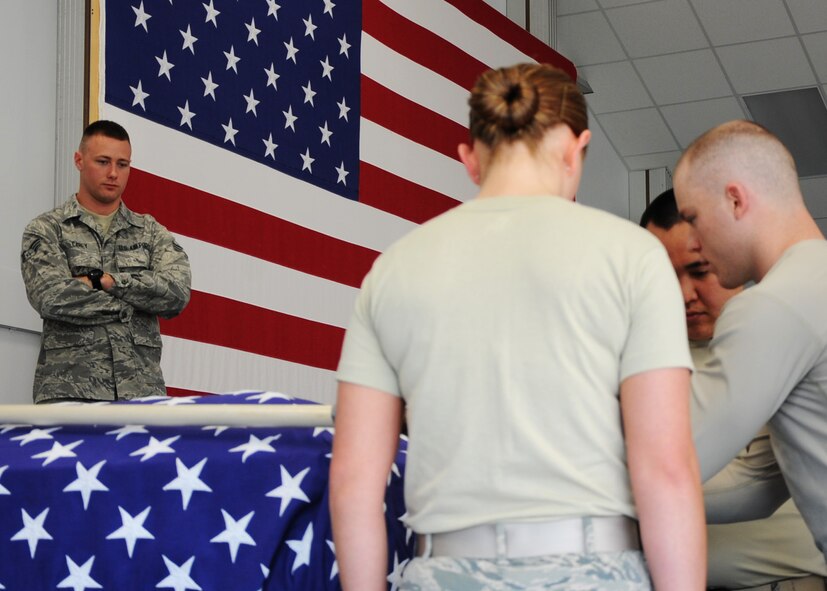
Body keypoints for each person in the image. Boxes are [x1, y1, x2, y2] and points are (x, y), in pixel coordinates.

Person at [330, 63, 705, 591]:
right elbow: (665, 470)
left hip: (444, 571)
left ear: (469, 159)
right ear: (577, 149)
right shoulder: (633, 257)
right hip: (595, 571)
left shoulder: (393, 269)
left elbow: (352, 485)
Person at [642, 189, 827, 590]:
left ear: (727, 256)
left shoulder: (780, 333)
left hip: (791, 579)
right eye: (664, 276)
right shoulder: (643, 363)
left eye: (699, 270)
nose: (683, 294)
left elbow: (752, 481)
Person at [673, 119, 827, 555]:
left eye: (693, 219)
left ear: (735, 200)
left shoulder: (773, 305)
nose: (696, 244)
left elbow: (680, 459)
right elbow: (758, 485)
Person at [21, 120, 191, 403]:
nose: (113, 173)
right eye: (103, 161)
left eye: (122, 164)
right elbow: (51, 297)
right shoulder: (47, 229)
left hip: (141, 396)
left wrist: (106, 281)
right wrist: (134, 303)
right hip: (70, 394)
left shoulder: (150, 232)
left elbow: (176, 294)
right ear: (79, 160)